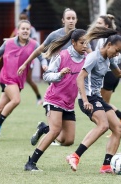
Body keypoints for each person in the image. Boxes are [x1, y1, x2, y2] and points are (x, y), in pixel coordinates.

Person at [66, 27, 121, 173]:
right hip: (88, 97)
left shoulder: (108, 59)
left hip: (97, 97)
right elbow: (80, 78)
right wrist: (85, 100)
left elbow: (120, 73)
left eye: (119, 52)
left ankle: (106, 166)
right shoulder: (93, 57)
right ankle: (74, 156)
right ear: (109, 45)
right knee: (103, 125)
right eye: (116, 50)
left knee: (118, 128)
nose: (117, 54)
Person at [20, 8, 91, 146]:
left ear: (76, 20)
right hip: (56, 80)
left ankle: (45, 129)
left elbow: (92, 55)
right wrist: (25, 64)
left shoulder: (81, 37)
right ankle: (50, 133)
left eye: (73, 18)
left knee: (67, 139)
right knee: (57, 127)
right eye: (68, 18)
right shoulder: (55, 35)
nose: (71, 21)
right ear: (63, 20)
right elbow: (39, 50)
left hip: (72, 83)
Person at [22, 29, 87, 171]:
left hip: (69, 103)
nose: (85, 46)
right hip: (54, 99)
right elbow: (47, 76)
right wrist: (59, 74)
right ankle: (31, 163)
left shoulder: (86, 58)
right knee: (55, 131)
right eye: (82, 43)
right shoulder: (62, 55)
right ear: (74, 42)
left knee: (68, 140)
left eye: (86, 43)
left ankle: (43, 128)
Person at [0, 20, 48, 141]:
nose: (25, 31)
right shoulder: (8, 43)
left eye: (27, 29)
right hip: (6, 78)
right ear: (17, 31)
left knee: (0, 108)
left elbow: (42, 56)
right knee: (16, 100)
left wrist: (44, 65)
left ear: (30, 31)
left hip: (18, 81)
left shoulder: (34, 44)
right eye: (23, 29)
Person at [94, 14, 121, 133]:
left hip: (108, 75)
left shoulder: (105, 39)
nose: (97, 25)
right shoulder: (112, 38)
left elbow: (99, 56)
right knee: (104, 103)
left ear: (106, 25)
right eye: (97, 22)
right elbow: (118, 56)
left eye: (99, 23)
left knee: (102, 103)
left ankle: (119, 121)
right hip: (113, 74)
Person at [10, 8, 43, 105]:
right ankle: (13, 98)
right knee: (15, 78)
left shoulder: (31, 29)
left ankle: (39, 97)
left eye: (24, 18)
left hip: (28, 59)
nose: (22, 20)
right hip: (17, 59)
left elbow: (34, 42)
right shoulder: (17, 29)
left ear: (27, 18)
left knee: (28, 80)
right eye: (20, 18)